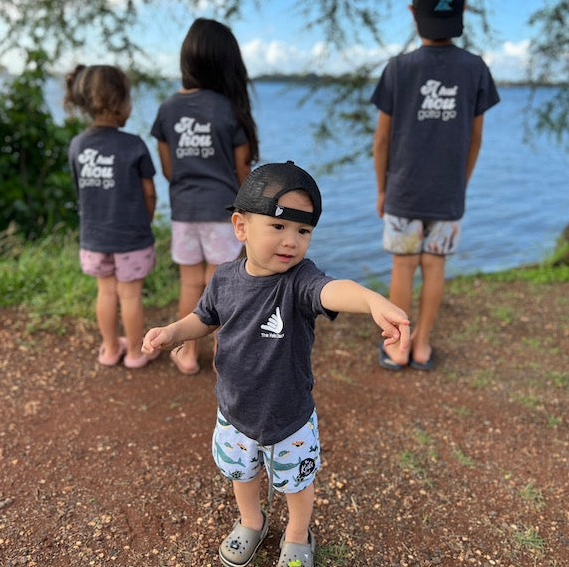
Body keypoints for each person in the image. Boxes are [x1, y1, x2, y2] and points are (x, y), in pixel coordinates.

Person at [142, 162, 410, 567]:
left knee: (297, 484)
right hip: (234, 412)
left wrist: (372, 300)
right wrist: (175, 332)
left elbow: (333, 290)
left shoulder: (300, 281)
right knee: (242, 476)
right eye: (279, 227)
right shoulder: (224, 278)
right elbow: (205, 318)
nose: (291, 242)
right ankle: (252, 522)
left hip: (290, 417)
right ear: (241, 226)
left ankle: (298, 533)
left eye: (303, 231)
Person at [371, 0, 500, 371]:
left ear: (413, 11)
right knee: (435, 267)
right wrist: (460, 183)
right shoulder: (475, 68)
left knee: (403, 268)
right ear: (463, 10)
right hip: (448, 193)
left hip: (403, 190)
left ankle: (399, 347)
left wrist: (381, 190)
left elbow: (382, 141)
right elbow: (475, 139)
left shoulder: (399, 68)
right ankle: (423, 346)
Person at [151, 17, 258, 375]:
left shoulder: (167, 108)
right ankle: (222, 355)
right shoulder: (229, 109)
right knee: (221, 285)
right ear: (226, 63)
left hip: (184, 210)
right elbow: (243, 171)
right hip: (222, 210)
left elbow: (168, 168)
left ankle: (185, 354)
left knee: (190, 282)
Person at [64, 64, 160, 369]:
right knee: (130, 296)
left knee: (105, 292)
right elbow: (149, 193)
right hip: (131, 236)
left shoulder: (78, 145)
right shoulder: (133, 145)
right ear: (119, 101)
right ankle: (134, 352)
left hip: (94, 237)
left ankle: (108, 349)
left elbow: (80, 190)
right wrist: (146, 220)